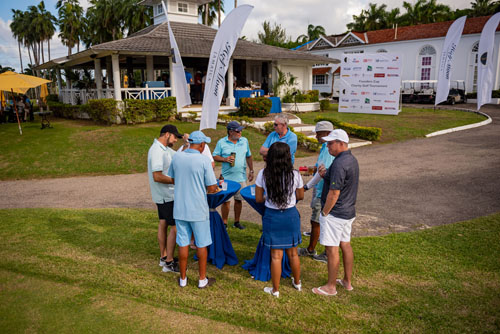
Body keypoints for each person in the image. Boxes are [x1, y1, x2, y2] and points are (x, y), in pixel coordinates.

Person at [167, 130, 218, 289]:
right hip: (198, 209)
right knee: (201, 244)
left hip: (180, 208)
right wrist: (213, 188)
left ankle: (183, 279)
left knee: (183, 243)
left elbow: (173, 179)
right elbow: (211, 187)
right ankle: (202, 279)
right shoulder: (203, 160)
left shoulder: (177, 156)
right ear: (202, 145)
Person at [312, 129, 359, 296]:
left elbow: (334, 193)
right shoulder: (351, 159)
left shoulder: (339, 163)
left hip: (335, 213)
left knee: (331, 249)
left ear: (341, 143)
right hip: (348, 212)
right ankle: (347, 281)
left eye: (331, 143)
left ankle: (331, 287)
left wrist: (324, 213)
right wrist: (326, 176)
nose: (328, 146)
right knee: (345, 244)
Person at [255, 142, 304, 298]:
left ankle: (275, 290)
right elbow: (301, 196)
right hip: (290, 215)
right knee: (293, 253)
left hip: (273, 216)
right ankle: (297, 283)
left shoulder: (263, 174)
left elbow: (258, 198)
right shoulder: (295, 174)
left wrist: (268, 197)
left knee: (276, 255)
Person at [147, 125, 184, 273]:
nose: (175, 140)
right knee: (175, 227)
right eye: (175, 137)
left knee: (163, 223)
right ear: (167, 134)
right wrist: (176, 180)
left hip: (163, 195)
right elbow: (157, 176)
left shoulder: (164, 149)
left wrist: (187, 143)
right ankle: (169, 262)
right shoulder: (157, 151)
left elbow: (179, 155)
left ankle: (163, 256)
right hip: (166, 195)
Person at [298, 121, 335, 263]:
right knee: (318, 221)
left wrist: (306, 187)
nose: (316, 137)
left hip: (322, 192)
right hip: (319, 190)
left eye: (318, 134)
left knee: (317, 222)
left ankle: (312, 250)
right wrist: (308, 170)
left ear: (327, 133)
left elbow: (322, 172)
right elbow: (318, 168)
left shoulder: (328, 148)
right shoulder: (325, 147)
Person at [213, 121, 254, 230]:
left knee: (238, 200)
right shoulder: (221, 142)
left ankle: (237, 222)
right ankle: (224, 223)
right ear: (230, 132)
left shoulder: (244, 141)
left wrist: (252, 170)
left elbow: (249, 156)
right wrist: (224, 159)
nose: (240, 132)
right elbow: (215, 156)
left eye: (241, 130)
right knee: (226, 202)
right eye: (238, 130)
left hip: (240, 177)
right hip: (226, 179)